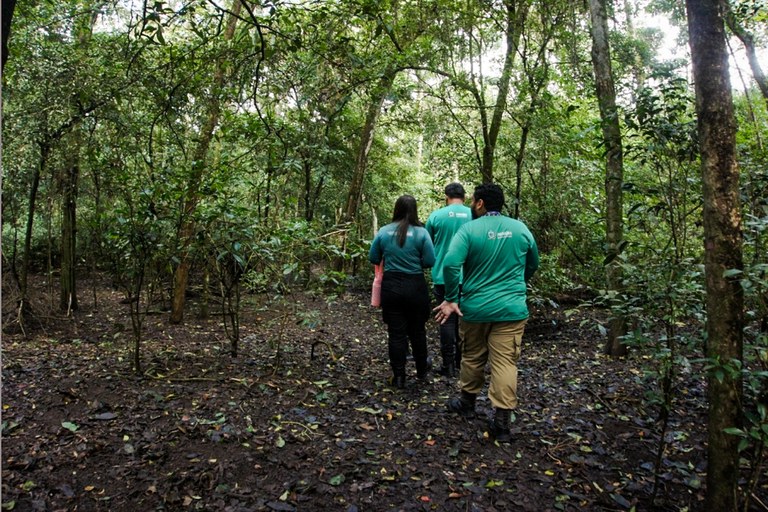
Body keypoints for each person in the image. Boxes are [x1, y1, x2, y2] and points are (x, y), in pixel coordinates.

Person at [434, 183, 539, 442]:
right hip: (511, 309)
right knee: (505, 362)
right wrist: (518, 285)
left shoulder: (469, 230)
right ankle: (502, 423)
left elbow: (450, 263)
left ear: (480, 203)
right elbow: (533, 262)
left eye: (473, 201)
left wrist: (450, 298)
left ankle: (467, 403)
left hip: (476, 307)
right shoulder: (520, 228)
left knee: (472, 355)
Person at [369, 195, 436, 389]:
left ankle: (399, 377)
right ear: (414, 210)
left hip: (391, 286)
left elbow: (374, 257)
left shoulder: (383, 231)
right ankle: (422, 371)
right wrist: (415, 262)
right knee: (417, 331)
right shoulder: (422, 233)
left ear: (396, 209)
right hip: (415, 285)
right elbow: (430, 261)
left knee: (396, 333)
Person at [425, 182, 472, 378]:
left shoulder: (436, 216)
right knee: (466, 320)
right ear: (465, 197)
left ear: (446, 196)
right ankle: (463, 363)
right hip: (469, 275)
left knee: (446, 320)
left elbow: (427, 244)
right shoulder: (473, 215)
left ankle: (448, 365)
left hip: (442, 275)